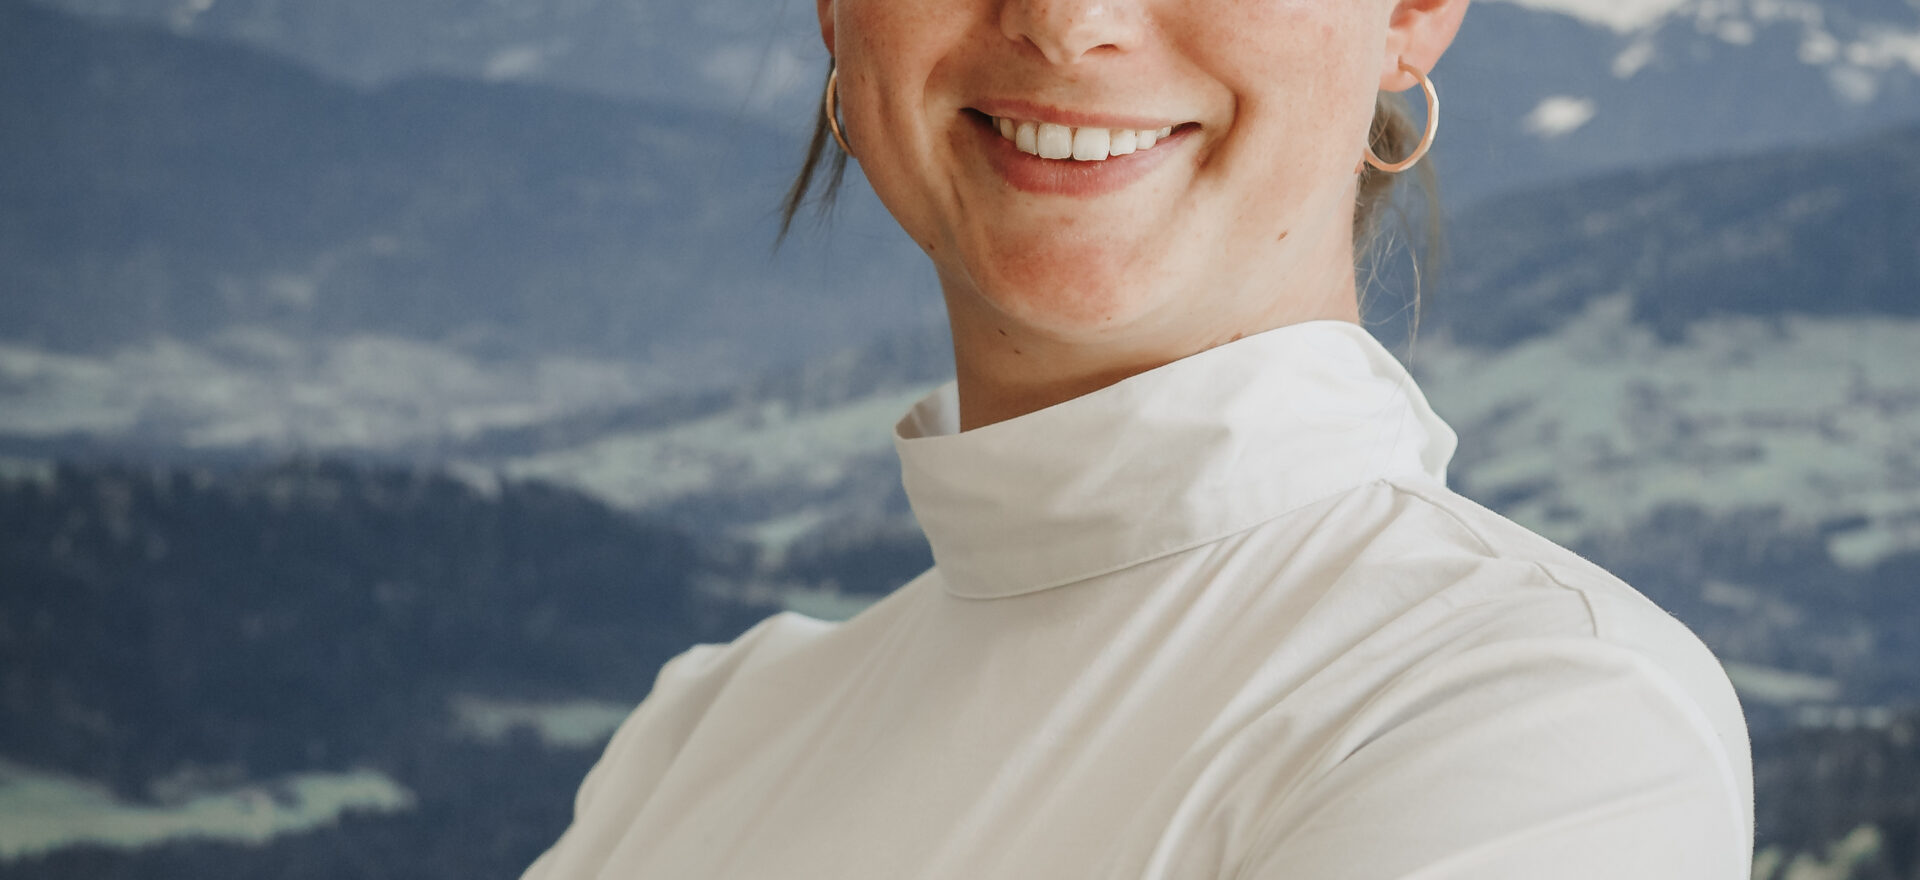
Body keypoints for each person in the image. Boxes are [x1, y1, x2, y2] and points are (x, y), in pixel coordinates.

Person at [523, 0, 1755, 876]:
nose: (1068, 18)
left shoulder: (1547, 720)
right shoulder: (704, 736)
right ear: (835, 11)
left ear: (1413, 10)